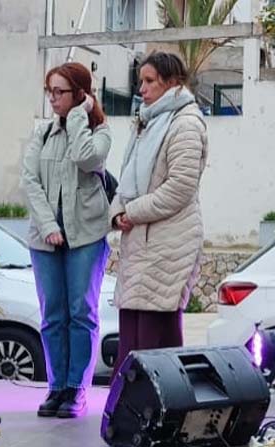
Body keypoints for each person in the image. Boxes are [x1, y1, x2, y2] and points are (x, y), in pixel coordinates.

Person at [20, 62, 112, 418]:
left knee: (81, 312)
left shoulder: (99, 132)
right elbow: (29, 180)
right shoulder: (42, 133)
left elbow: (86, 158)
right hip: (45, 238)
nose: (52, 98)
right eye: (50, 91)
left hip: (86, 235)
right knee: (52, 315)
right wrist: (47, 224)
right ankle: (56, 386)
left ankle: (76, 388)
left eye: (59, 91)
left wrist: (78, 116)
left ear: (80, 93)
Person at [110, 51, 207, 377]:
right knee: (132, 341)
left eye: (150, 81)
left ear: (173, 82)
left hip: (169, 243)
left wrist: (132, 212)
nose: (142, 89)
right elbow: (128, 179)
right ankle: (129, 406)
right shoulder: (148, 122)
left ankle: (153, 407)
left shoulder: (186, 123)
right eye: (141, 81)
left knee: (156, 343)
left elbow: (180, 187)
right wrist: (118, 214)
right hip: (140, 243)